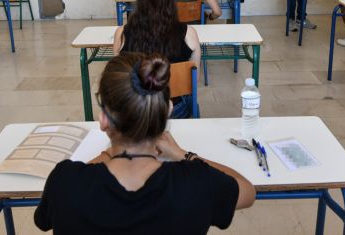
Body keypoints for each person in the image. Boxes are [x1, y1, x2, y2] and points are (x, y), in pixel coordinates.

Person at [34, 53, 256, 234]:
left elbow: (43, 221)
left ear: (103, 120)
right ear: (167, 112)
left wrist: (108, 154)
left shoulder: (65, 183)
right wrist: (183, 154)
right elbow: (247, 190)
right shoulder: (197, 183)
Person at [114, 0, 201, 118]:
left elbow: (119, 78)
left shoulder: (121, 34)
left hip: (136, 111)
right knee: (191, 100)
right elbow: (194, 81)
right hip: (174, 110)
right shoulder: (189, 34)